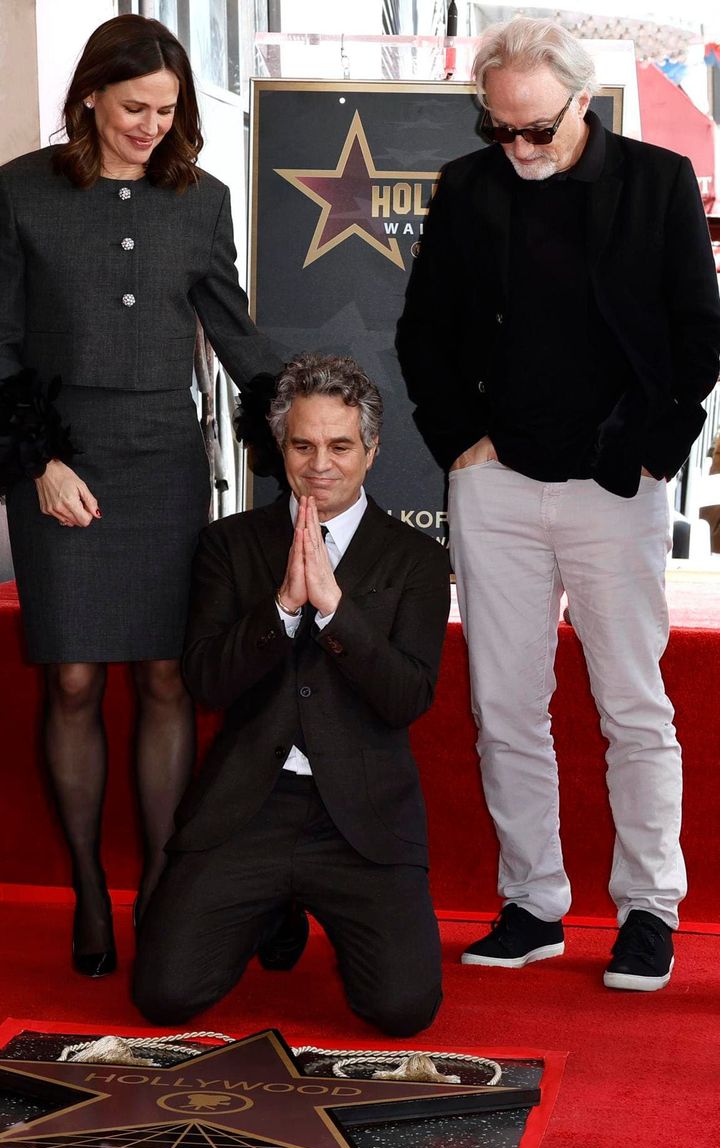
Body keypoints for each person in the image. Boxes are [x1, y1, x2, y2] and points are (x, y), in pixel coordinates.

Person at [396, 17, 720, 992]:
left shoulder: (658, 184)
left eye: (535, 129)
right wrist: (462, 442)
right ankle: (534, 902)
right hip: (495, 485)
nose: (518, 149)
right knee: (503, 708)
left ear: (583, 101)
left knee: (633, 705)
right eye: (500, 128)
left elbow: (699, 335)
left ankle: (650, 911)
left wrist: (658, 452)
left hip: (615, 486)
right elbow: (424, 335)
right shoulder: (468, 188)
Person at [0, 14, 284, 978]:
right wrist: (37, 462)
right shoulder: (19, 193)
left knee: (165, 673)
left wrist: (302, 415)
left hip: (164, 456)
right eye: (133, 108)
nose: (150, 126)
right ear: (90, 95)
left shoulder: (198, 200)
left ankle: (161, 882)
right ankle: (88, 887)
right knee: (75, 678)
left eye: (166, 110)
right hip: (59, 461)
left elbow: (232, 330)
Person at [133, 353, 450, 1035]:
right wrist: (280, 606)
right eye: (302, 445)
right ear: (279, 447)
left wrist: (334, 609)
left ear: (371, 449)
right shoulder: (228, 545)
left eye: (340, 445)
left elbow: (407, 699)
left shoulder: (417, 559)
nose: (320, 464)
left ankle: (294, 908)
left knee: (403, 1011)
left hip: (360, 820)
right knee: (164, 994)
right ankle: (271, 911)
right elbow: (207, 682)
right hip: (250, 807)